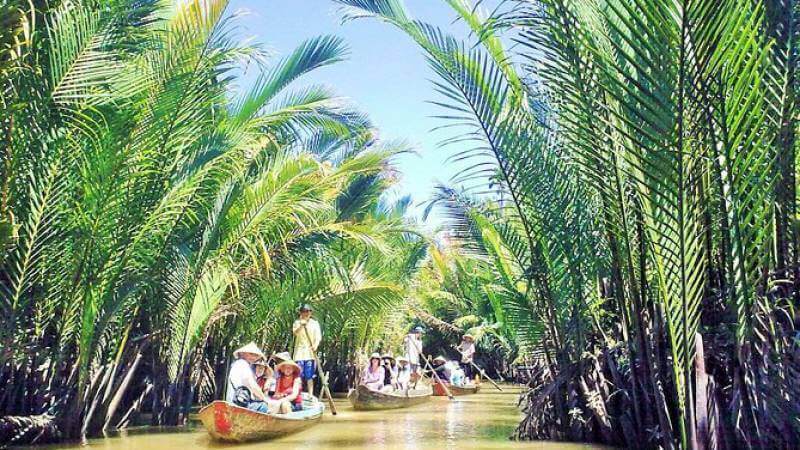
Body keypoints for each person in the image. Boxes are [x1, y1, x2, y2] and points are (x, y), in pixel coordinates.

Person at [227, 342, 271, 413]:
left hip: (237, 402)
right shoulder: (242, 363)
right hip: (238, 403)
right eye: (251, 354)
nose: (253, 357)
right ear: (242, 353)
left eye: (255, 355)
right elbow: (251, 385)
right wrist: (266, 400)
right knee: (264, 407)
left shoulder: (239, 364)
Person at [292, 304, 321, 395]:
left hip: (310, 353)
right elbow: (295, 333)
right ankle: (297, 394)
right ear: (301, 313)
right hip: (299, 353)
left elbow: (318, 337)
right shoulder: (297, 322)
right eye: (304, 311)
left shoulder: (315, 323)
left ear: (310, 312)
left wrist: (315, 345)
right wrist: (301, 325)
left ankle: (310, 395)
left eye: (308, 311)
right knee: (298, 376)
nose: (306, 313)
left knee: (309, 376)